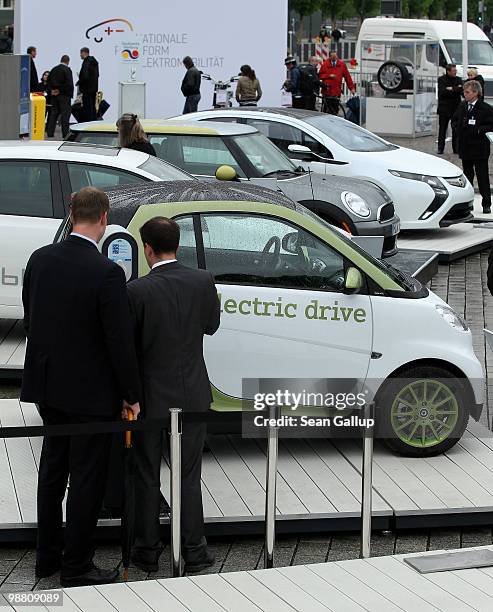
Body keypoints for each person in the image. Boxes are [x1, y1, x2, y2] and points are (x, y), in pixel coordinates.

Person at [21, 186, 141, 587]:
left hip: (48, 386)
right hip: (90, 393)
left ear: (72, 215)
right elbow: (118, 340)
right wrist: (131, 394)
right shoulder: (106, 272)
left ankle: (46, 559)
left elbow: (30, 317)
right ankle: (76, 565)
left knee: (52, 471)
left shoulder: (40, 259)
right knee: (86, 477)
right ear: (104, 219)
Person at [127, 216, 220, 574]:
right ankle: (194, 550)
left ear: (147, 249)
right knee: (189, 475)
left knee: (146, 474)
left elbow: (130, 346)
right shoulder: (203, 281)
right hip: (194, 393)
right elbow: (211, 326)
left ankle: (146, 551)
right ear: (177, 245)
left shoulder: (136, 291)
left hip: (150, 397)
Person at [452, 80, 493, 213]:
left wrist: (479, 130)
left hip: (479, 148)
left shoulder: (486, 108)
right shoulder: (462, 106)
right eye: (464, 91)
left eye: (467, 92)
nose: (465, 94)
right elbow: (455, 120)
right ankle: (467, 203)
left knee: (482, 176)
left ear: (476, 93)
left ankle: (486, 203)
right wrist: (457, 129)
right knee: (467, 176)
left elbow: (490, 125)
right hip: (465, 147)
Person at [437, 64, 463, 154]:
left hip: (456, 108)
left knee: (456, 128)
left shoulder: (458, 79)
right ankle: (440, 148)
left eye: (455, 71)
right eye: (453, 71)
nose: (455, 72)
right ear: (448, 71)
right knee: (442, 129)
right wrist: (455, 89)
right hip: (444, 108)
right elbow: (443, 92)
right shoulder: (441, 79)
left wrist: (451, 89)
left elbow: (461, 90)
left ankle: (456, 149)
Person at [46, 55, 73, 139]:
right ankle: (65, 134)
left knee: (53, 114)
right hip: (64, 96)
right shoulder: (67, 70)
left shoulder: (54, 69)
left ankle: (50, 133)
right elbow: (69, 84)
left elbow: (48, 82)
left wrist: (51, 91)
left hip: (54, 96)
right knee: (65, 115)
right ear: (68, 61)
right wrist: (60, 91)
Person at [78, 47, 99, 122]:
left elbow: (85, 75)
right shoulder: (94, 62)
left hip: (87, 89)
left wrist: (79, 82)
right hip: (93, 89)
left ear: (84, 53)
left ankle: (87, 124)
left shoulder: (86, 62)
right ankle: (92, 123)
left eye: (81, 53)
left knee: (87, 108)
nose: (80, 55)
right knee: (92, 107)